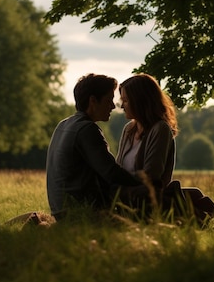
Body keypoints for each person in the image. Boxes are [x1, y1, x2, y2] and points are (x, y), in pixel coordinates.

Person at [115, 73, 214, 226]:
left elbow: (152, 174)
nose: (121, 106)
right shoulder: (129, 130)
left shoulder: (160, 129)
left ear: (140, 101)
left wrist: (119, 179)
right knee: (193, 195)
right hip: (133, 196)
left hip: (149, 195)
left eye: (126, 101)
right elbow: (118, 166)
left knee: (187, 198)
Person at [45, 73, 145, 221]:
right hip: (81, 213)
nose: (113, 106)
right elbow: (111, 173)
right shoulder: (86, 129)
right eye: (109, 100)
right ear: (93, 100)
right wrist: (144, 184)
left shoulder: (64, 125)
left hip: (60, 210)